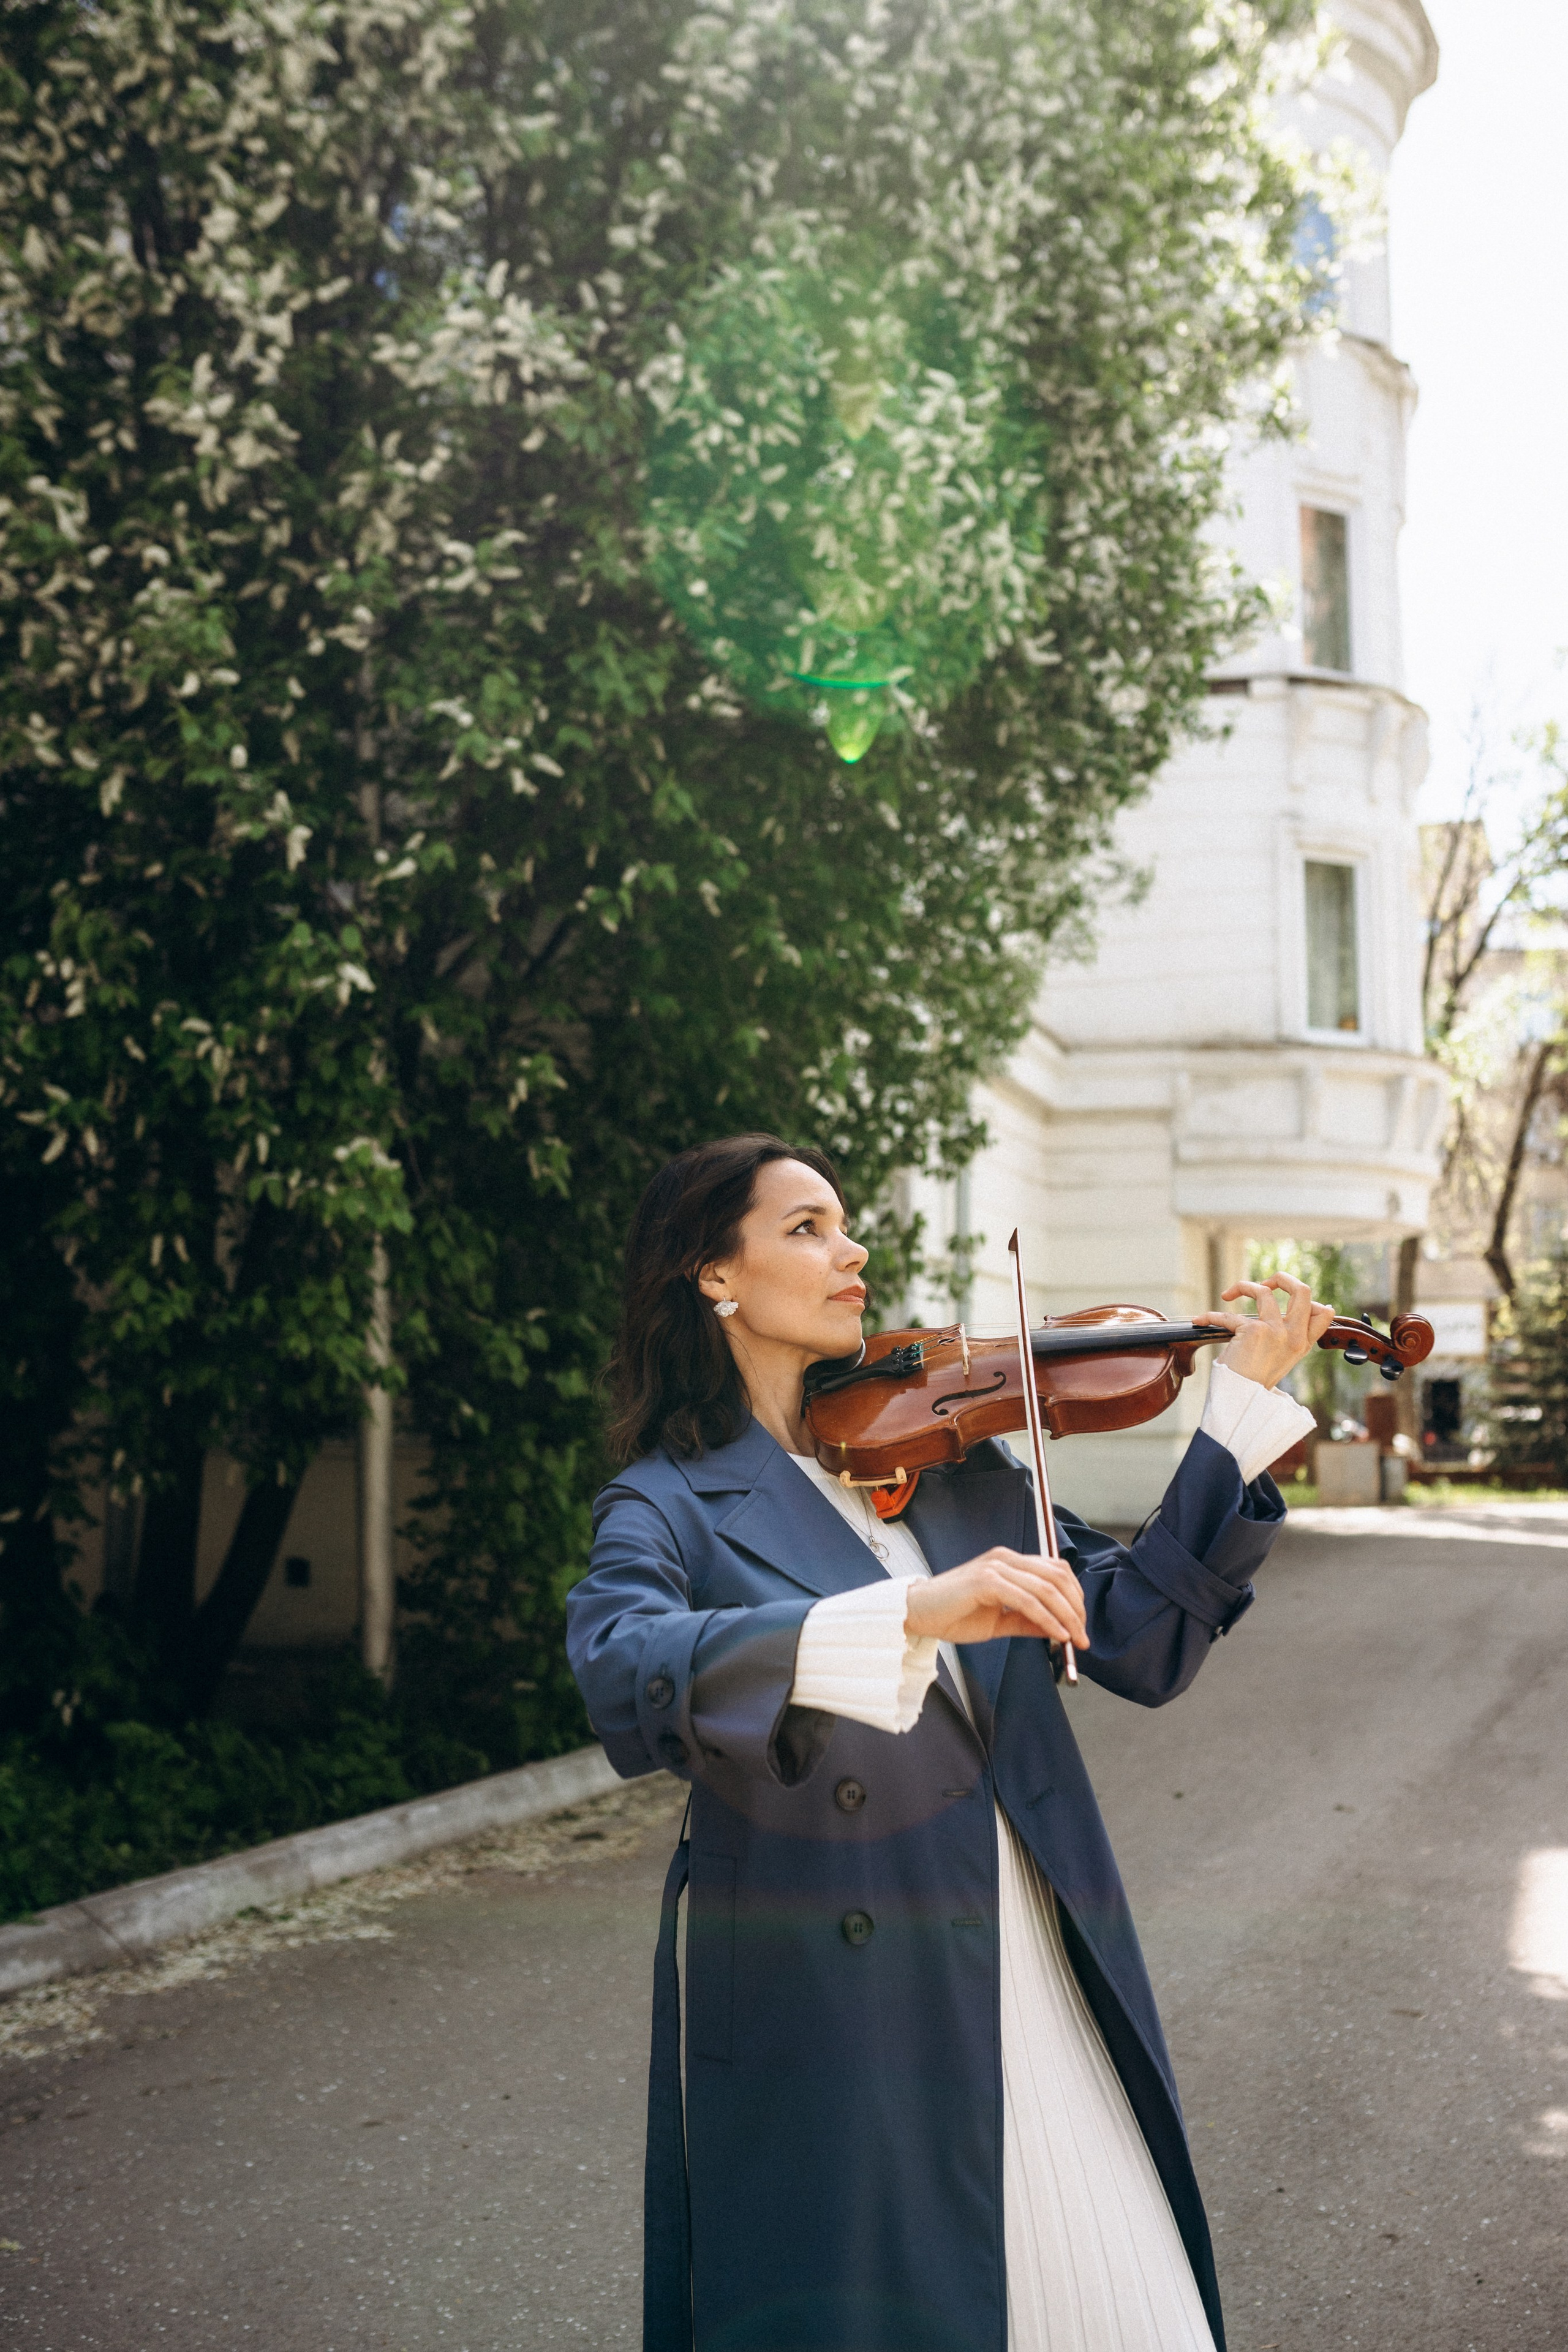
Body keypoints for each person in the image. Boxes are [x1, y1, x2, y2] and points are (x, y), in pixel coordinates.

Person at [567, 1134, 1324, 2352]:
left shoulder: (947, 1460)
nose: (851, 1248)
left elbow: (1137, 1638)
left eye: (844, 1221)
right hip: (851, 2000)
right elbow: (620, 1665)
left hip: (1034, 1947)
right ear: (714, 1276)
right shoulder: (668, 1501)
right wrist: (908, 1613)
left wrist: (1231, 1421)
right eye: (806, 1228)